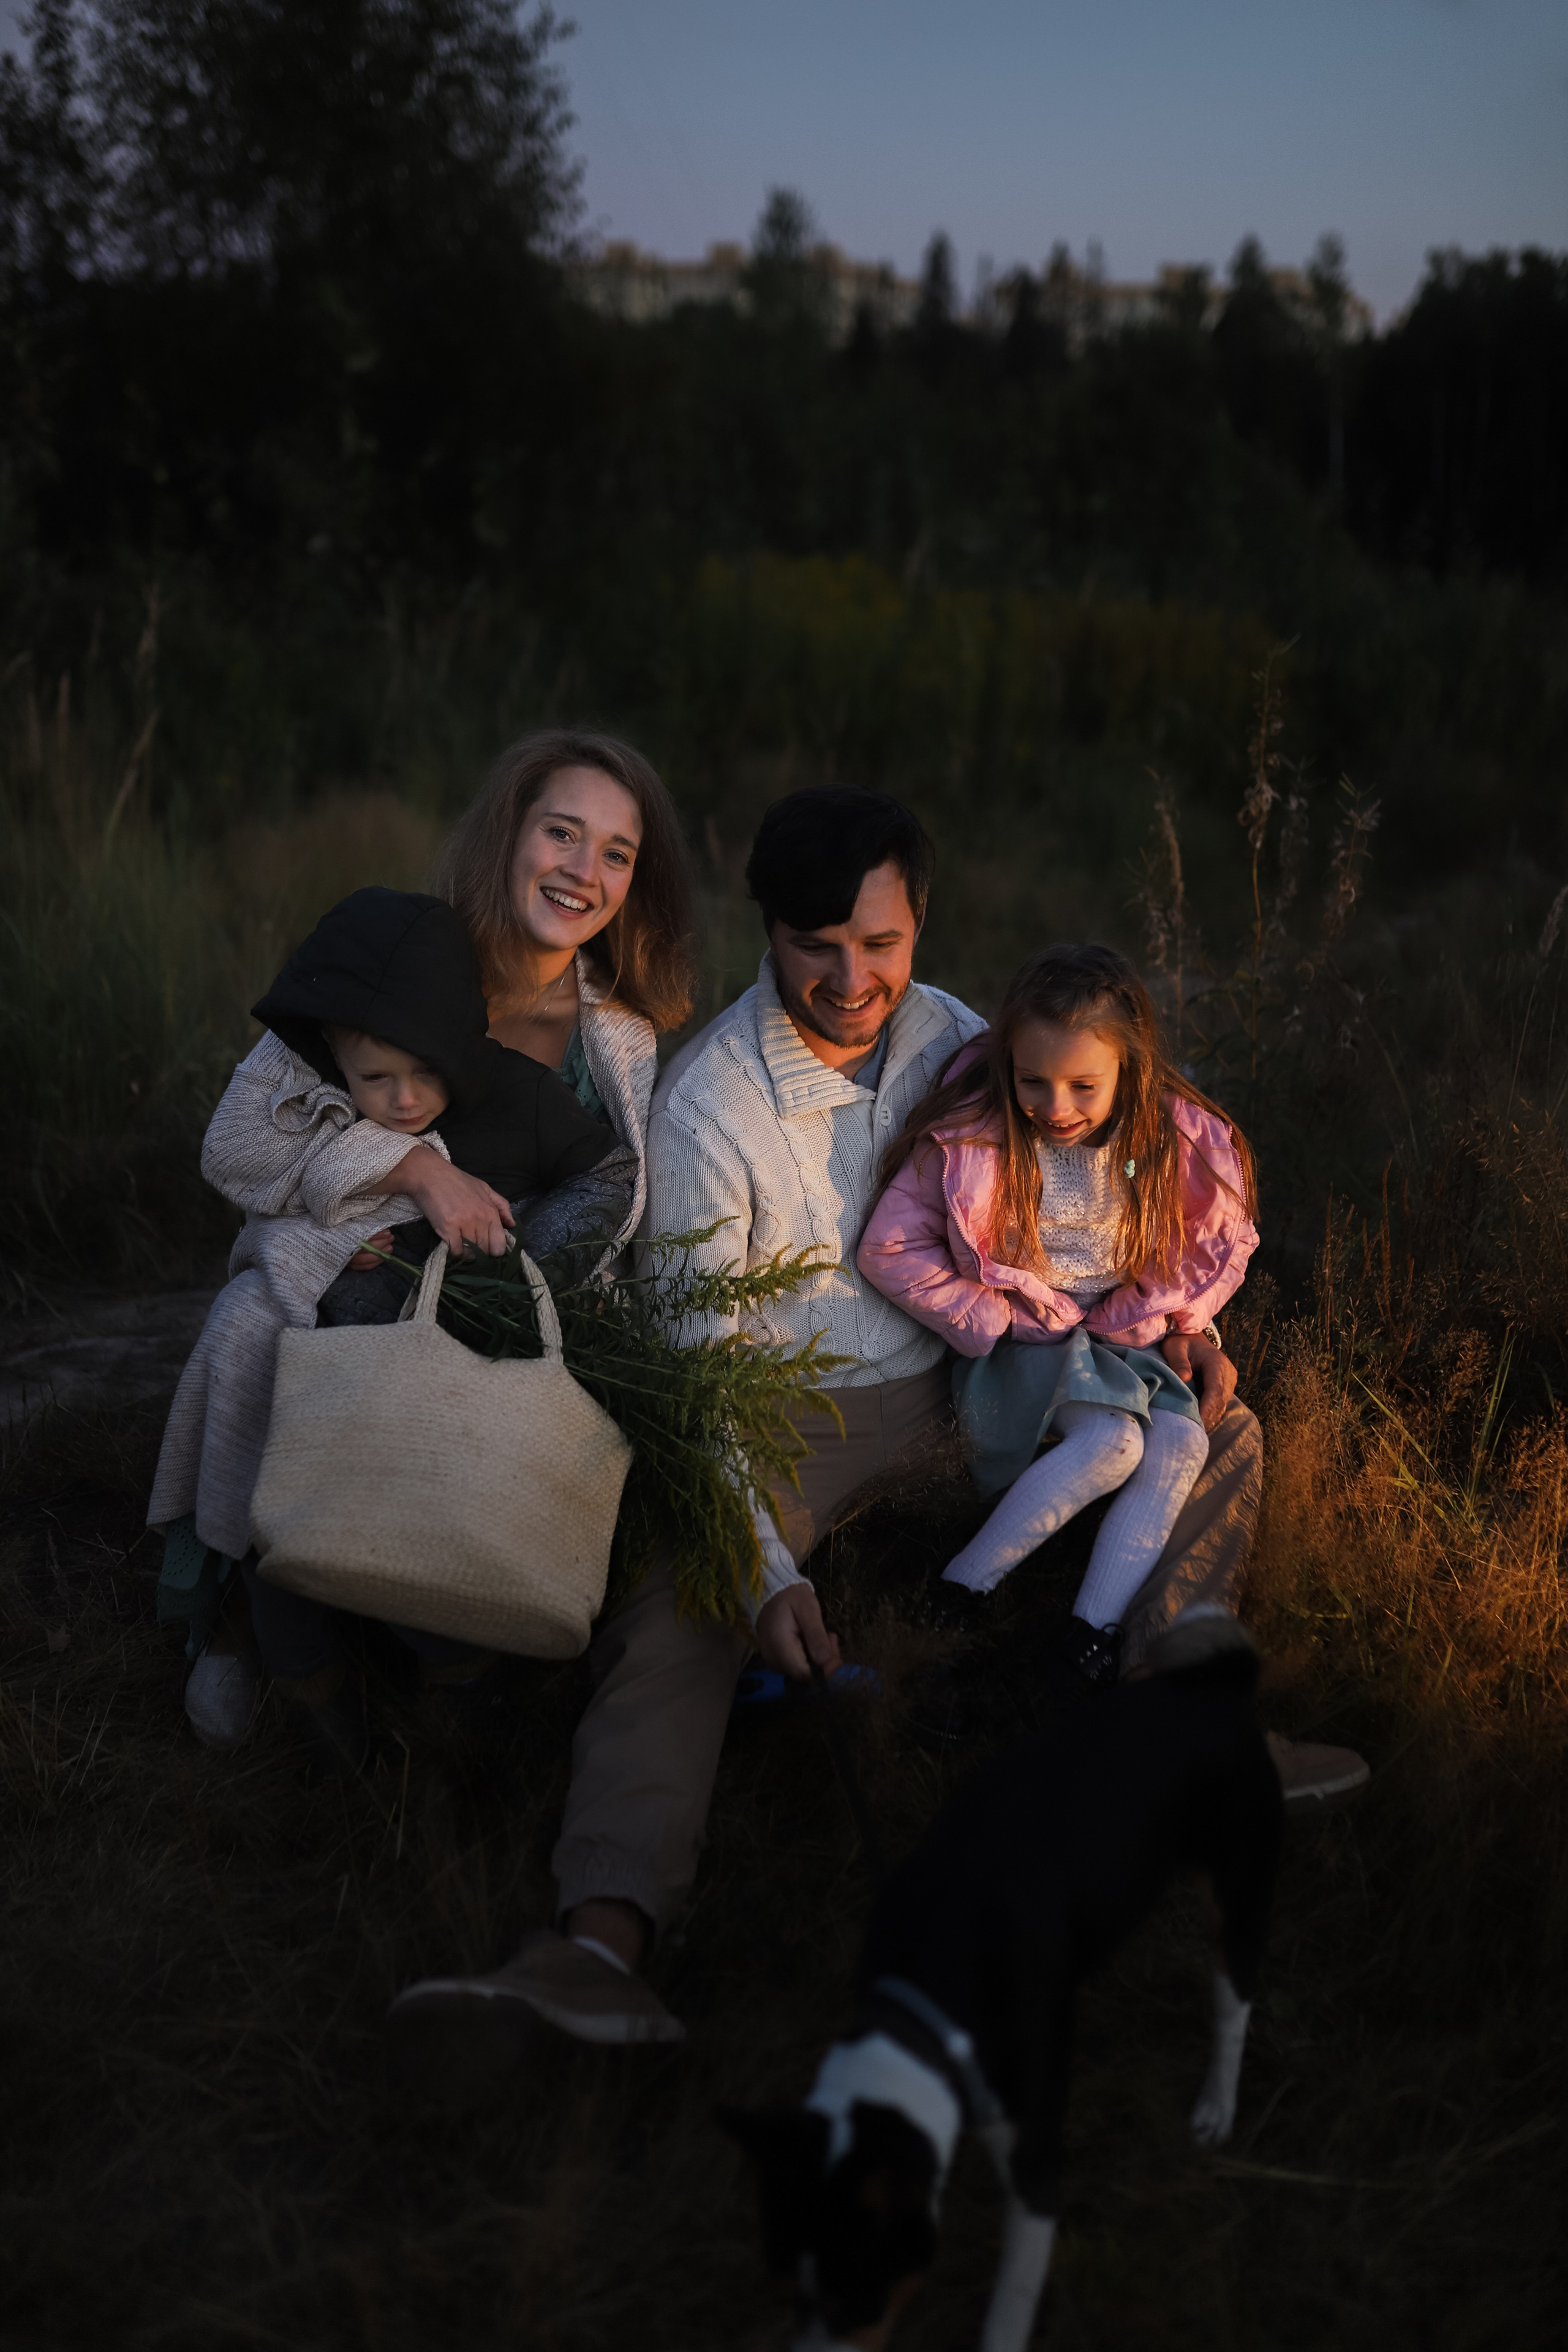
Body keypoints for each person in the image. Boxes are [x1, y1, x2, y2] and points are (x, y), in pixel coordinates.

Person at [384, 787, 1368, 2100]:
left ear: (919, 926)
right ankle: (598, 1948)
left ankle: (1195, 1719)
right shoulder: (710, 1107)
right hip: (786, 1408)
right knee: (683, 1592)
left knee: (1209, 1426)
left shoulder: (962, 1039)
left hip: (978, 1369)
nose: (852, 979)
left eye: (881, 943)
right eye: (817, 945)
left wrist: (1175, 1328)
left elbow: (1085, 1196)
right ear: (769, 930)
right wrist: (763, 1574)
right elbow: (695, 1376)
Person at [150, 731, 695, 1752]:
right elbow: (237, 1145)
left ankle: (469, 1627)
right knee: (253, 1322)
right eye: (562, 833)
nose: (584, 871)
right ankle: (239, 1605)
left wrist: (505, 1282)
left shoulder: (619, 1033)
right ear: (509, 833)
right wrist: (411, 1170)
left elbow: (614, 1192)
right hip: (353, 1253)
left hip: (512, 1281)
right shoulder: (398, 955)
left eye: (617, 853)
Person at [858, 941, 1259, 1688]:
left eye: (1083, 1085)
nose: (1055, 1107)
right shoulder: (977, 1137)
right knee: (1112, 1442)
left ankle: (1088, 1635)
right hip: (1026, 1340)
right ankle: (961, 1589)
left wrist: (1188, 1324)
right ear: (1006, 1065)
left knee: (1179, 1443)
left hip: (1121, 1341)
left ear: (1128, 1070)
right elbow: (890, 1247)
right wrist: (992, 1316)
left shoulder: (1162, 1143)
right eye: (1032, 1081)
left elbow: (1208, 1240)